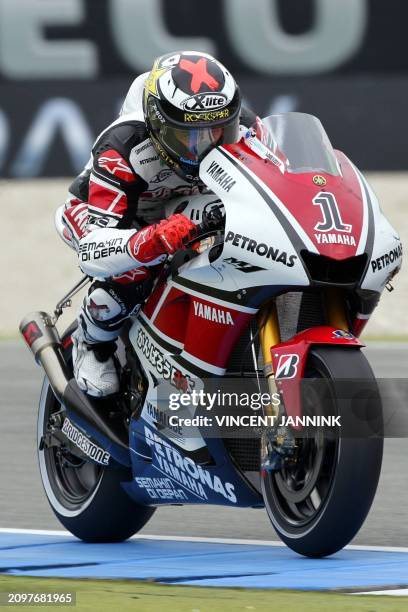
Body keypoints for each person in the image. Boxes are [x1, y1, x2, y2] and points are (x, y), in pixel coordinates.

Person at [55, 50, 256, 397]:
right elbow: (93, 250)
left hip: (184, 210)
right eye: (189, 136)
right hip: (105, 218)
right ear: (158, 124)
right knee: (132, 273)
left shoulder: (249, 131)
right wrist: (151, 241)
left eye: (217, 131)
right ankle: (93, 341)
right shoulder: (122, 147)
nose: (205, 147)